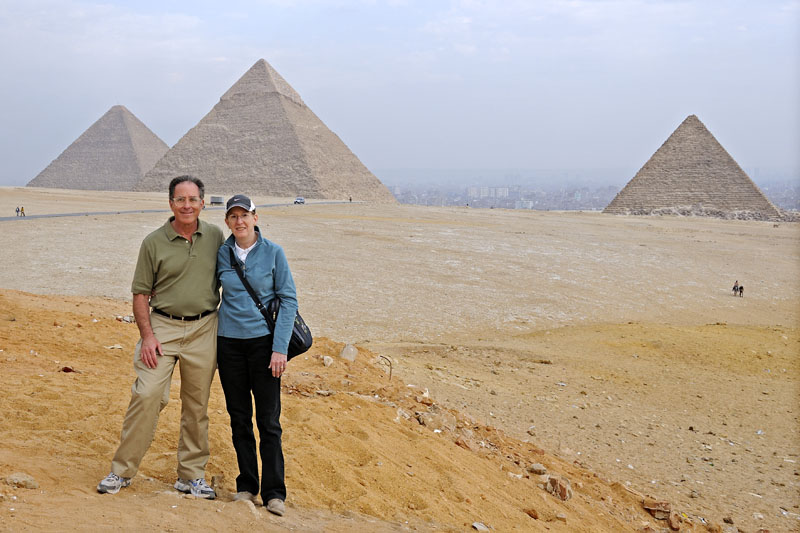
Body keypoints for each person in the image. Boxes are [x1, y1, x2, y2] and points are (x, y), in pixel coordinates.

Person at [97, 176, 224, 499]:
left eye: (192, 199)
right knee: (147, 394)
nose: (186, 205)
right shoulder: (153, 242)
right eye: (180, 199)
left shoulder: (214, 237)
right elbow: (140, 294)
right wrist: (148, 336)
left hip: (204, 327)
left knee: (197, 405)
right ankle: (122, 471)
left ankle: (191, 476)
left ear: (202, 203)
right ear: (170, 203)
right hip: (162, 328)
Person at [216, 194, 298, 516]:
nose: (239, 221)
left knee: (268, 421)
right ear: (227, 221)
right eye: (233, 216)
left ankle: (274, 492)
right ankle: (247, 486)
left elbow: (288, 300)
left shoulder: (274, 252)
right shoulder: (222, 254)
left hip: (264, 346)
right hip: (229, 345)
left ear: (255, 217)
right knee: (239, 418)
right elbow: (204, 289)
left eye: (244, 215)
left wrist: (280, 348)